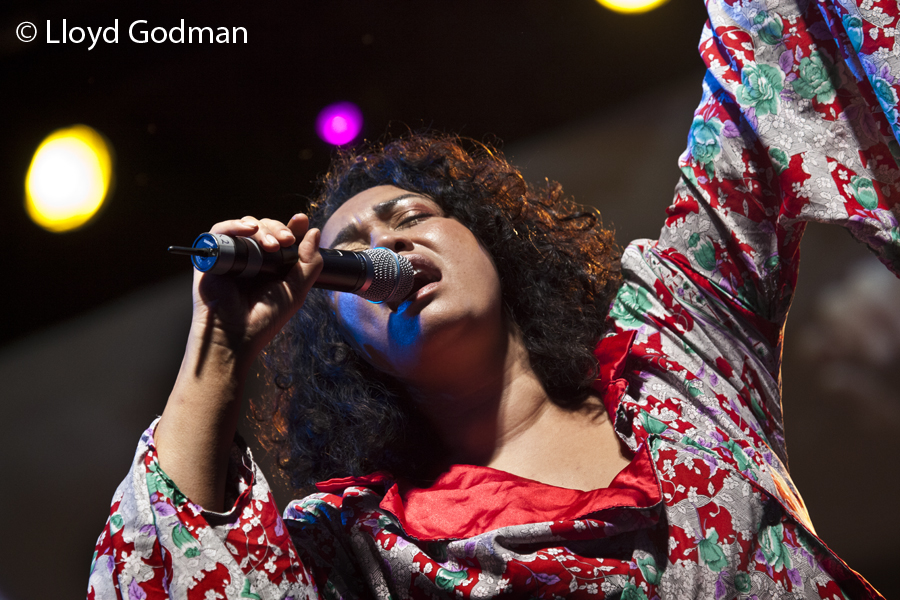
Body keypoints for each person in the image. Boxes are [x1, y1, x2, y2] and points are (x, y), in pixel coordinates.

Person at [89, 0, 900, 597]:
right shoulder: (366, 553)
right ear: (347, 346)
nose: (389, 246)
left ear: (497, 250)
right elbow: (170, 580)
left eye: (412, 217)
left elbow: (761, 83)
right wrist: (220, 347)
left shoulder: (677, 358)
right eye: (353, 251)